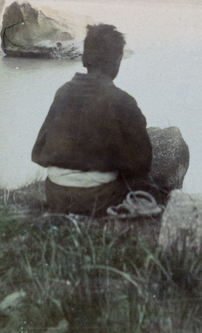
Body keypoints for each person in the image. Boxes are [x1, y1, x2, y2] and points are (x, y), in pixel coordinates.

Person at [31, 23, 152, 215]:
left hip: (56, 194)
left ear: (84, 58)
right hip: (98, 198)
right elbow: (143, 163)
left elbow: (38, 153)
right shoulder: (122, 100)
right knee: (147, 181)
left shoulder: (62, 92)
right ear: (118, 59)